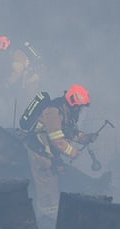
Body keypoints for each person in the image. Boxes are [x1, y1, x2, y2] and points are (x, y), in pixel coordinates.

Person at [23, 85, 97, 219]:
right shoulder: (53, 112)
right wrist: (73, 152)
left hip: (49, 154)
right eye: (79, 107)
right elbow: (57, 140)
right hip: (40, 154)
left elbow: (70, 132)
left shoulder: (66, 112)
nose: (80, 110)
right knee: (47, 191)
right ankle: (48, 222)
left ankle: (53, 216)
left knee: (54, 186)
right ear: (74, 103)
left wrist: (86, 137)